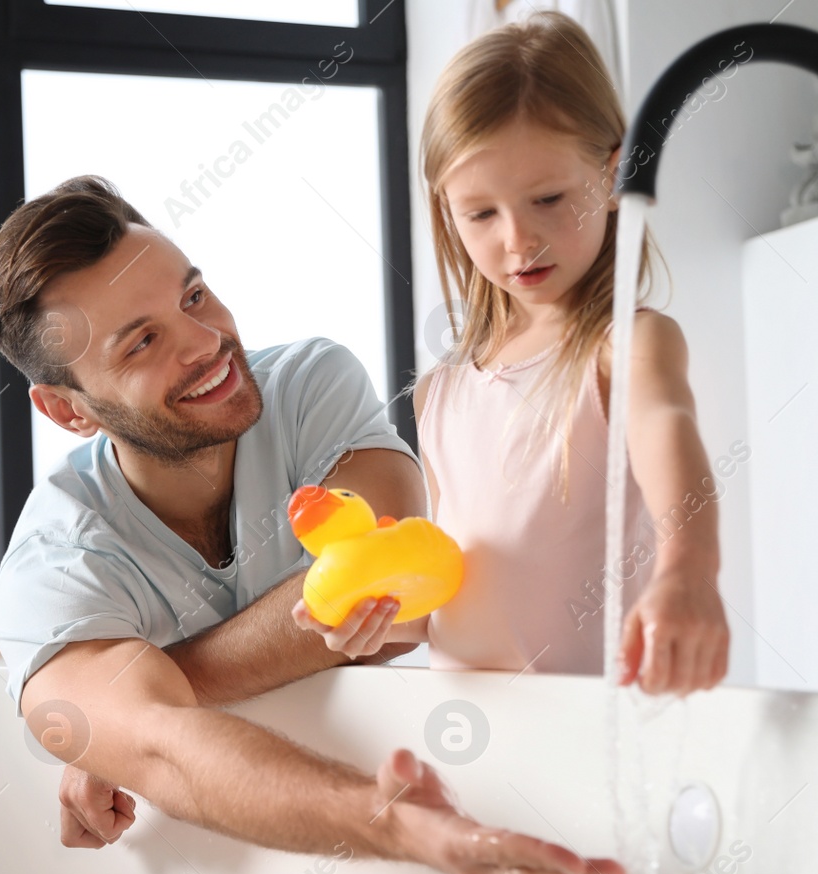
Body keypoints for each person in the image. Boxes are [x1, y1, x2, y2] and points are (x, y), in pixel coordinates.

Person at [0, 175, 623, 874]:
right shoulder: (55, 566)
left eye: (193, 296)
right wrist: (398, 826)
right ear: (68, 410)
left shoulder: (307, 386)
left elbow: (395, 596)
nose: (206, 343)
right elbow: (169, 752)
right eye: (143, 342)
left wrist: (124, 724)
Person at [295, 13, 732, 694]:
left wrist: (689, 574)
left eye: (549, 198)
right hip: (475, 740)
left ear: (617, 176)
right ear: (447, 211)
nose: (518, 239)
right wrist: (369, 616)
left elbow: (669, 439)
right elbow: (450, 605)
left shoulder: (626, 346)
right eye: (481, 214)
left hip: (594, 735)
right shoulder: (439, 392)